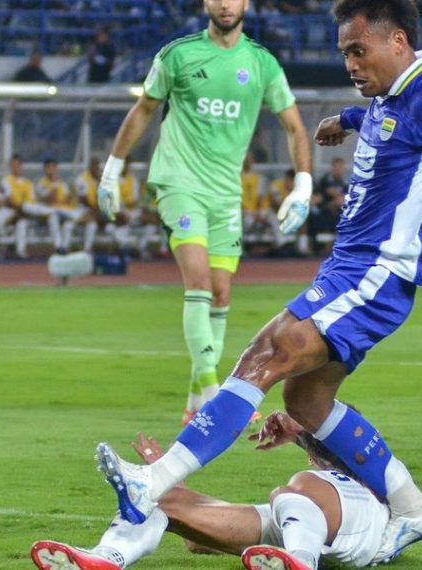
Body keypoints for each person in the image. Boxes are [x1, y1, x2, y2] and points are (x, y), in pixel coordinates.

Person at [93, 0, 422, 565]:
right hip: (348, 270)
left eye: (360, 51)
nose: (351, 65)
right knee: (305, 400)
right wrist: (347, 119)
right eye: (345, 54)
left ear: (399, 42)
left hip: (375, 275)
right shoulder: (392, 97)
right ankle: (412, 508)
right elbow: (387, 120)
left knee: (267, 352)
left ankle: (152, 484)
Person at [93, 0, 313, 426]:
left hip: (225, 193)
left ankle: (194, 402)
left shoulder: (262, 64)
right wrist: (111, 170)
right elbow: (143, 110)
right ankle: (215, 393)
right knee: (197, 281)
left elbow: (294, 126)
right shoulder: (178, 55)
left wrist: (302, 187)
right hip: (178, 182)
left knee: (221, 293)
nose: (225, 3)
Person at [32, 410, 391, 570]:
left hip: (350, 518)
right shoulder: (310, 491)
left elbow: (340, 443)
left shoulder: (376, 477)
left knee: (295, 490)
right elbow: (198, 542)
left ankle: (302, 562)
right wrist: (170, 481)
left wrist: (299, 433)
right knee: (157, 499)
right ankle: (106, 558)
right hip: (301, 524)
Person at [76, 157, 132, 254]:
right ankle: (87, 250)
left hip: (100, 214)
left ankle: (122, 246)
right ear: (89, 167)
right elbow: (84, 201)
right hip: (85, 212)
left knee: (114, 224)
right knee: (92, 224)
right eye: (93, 166)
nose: (96, 169)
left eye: (97, 167)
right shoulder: (82, 179)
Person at [0, 154, 44, 259]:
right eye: (13, 164)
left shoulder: (28, 183)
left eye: (18, 164)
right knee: (23, 217)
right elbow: (9, 201)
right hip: (8, 213)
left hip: (23, 212)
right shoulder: (5, 181)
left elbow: (31, 201)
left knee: (22, 221)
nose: (15, 167)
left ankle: (20, 251)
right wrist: (22, 209)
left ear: (21, 166)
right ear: (10, 166)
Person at [37, 158, 81, 254]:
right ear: (45, 169)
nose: (51, 170)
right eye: (49, 167)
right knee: (53, 218)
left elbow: (68, 200)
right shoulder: (42, 183)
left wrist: (72, 191)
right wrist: (54, 187)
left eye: (53, 167)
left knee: (68, 225)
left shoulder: (62, 183)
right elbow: (49, 200)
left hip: (64, 211)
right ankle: (58, 247)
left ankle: (65, 248)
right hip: (50, 212)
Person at [307, 157, 348, 256]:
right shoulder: (324, 181)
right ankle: (317, 246)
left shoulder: (345, 184)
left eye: (340, 167)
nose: (337, 170)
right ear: (331, 168)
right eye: (335, 167)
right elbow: (317, 198)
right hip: (323, 211)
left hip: (339, 212)